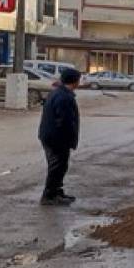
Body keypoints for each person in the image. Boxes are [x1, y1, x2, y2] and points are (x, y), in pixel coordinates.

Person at [38, 67, 81, 206]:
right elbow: (65, 121)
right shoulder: (64, 97)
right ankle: (49, 196)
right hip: (57, 138)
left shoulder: (59, 93)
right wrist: (69, 139)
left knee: (60, 166)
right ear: (75, 82)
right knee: (57, 167)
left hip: (51, 136)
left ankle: (56, 191)